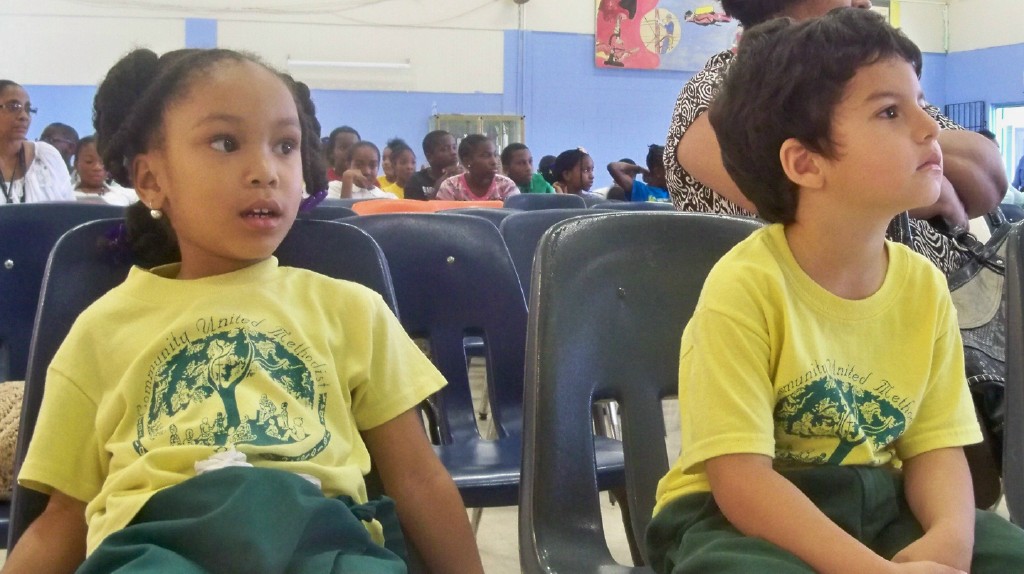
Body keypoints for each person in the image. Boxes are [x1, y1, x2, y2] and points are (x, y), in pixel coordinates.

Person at [7, 47, 483, 574]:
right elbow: (64, 517)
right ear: (150, 180)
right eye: (225, 143)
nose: (265, 171)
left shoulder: (351, 310)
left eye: (285, 146)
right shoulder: (101, 328)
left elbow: (418, 479)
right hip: (157, 547)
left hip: (320, 541)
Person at [646, 10, 1024, 574]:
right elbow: (741, 482)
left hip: (878, 495)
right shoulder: (745, 285)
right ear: (805, 162)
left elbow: (935, 448)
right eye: (891, 112)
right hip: (735, 514)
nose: (928, 127)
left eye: (919, 102)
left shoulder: (921, 285)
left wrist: (949, 542)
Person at [664, 0, 1007, 278]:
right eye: (888, 113)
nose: (866, 3)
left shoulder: (876, 79)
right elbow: (817, 194)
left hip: (961, 304)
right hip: (817, 328)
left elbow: (989, 175)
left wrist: (887, 129)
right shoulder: (717, 93)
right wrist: (929, 175)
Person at [0, 80, 74, 204]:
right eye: (13, 107)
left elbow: (69, 212)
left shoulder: (46, 157)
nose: (24, 116)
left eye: (28, 109)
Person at [436, 134, 518, 201]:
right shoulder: (451, 187)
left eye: (495, 155)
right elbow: (445, 219)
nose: (494, 161)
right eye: (486, 156)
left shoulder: (506, 185)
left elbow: (514, 218)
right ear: (467, 161)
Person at [72, 135, 138, 206]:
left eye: (103, 162)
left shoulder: (130, 196)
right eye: (89, 161)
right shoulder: (65, 196)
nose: (97, 167)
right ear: (76, 164)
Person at [403, 130, 463, 200]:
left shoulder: (463, 177)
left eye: (454, 147)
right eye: (444, 149)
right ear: (429, 157)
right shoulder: (415, 181)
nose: (453, 152)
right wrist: (443, 181)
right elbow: (419, 210)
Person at [327, 141, 397, 200]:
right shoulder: (334, 187)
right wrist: (347, 180)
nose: (366, 171)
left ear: (378, 167)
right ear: (348, 165)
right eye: (359, 165)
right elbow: (342, 215)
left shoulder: (387, 198)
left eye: (372, 165)